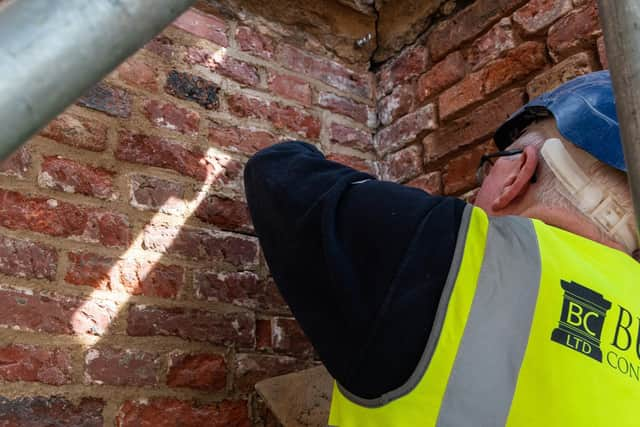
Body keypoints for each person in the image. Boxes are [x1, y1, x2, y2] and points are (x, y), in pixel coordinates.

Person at [243, 71, 640, 426]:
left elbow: (277, 172)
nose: (473, 191)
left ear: (520, 173)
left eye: (490, 167)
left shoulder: (454, 247)